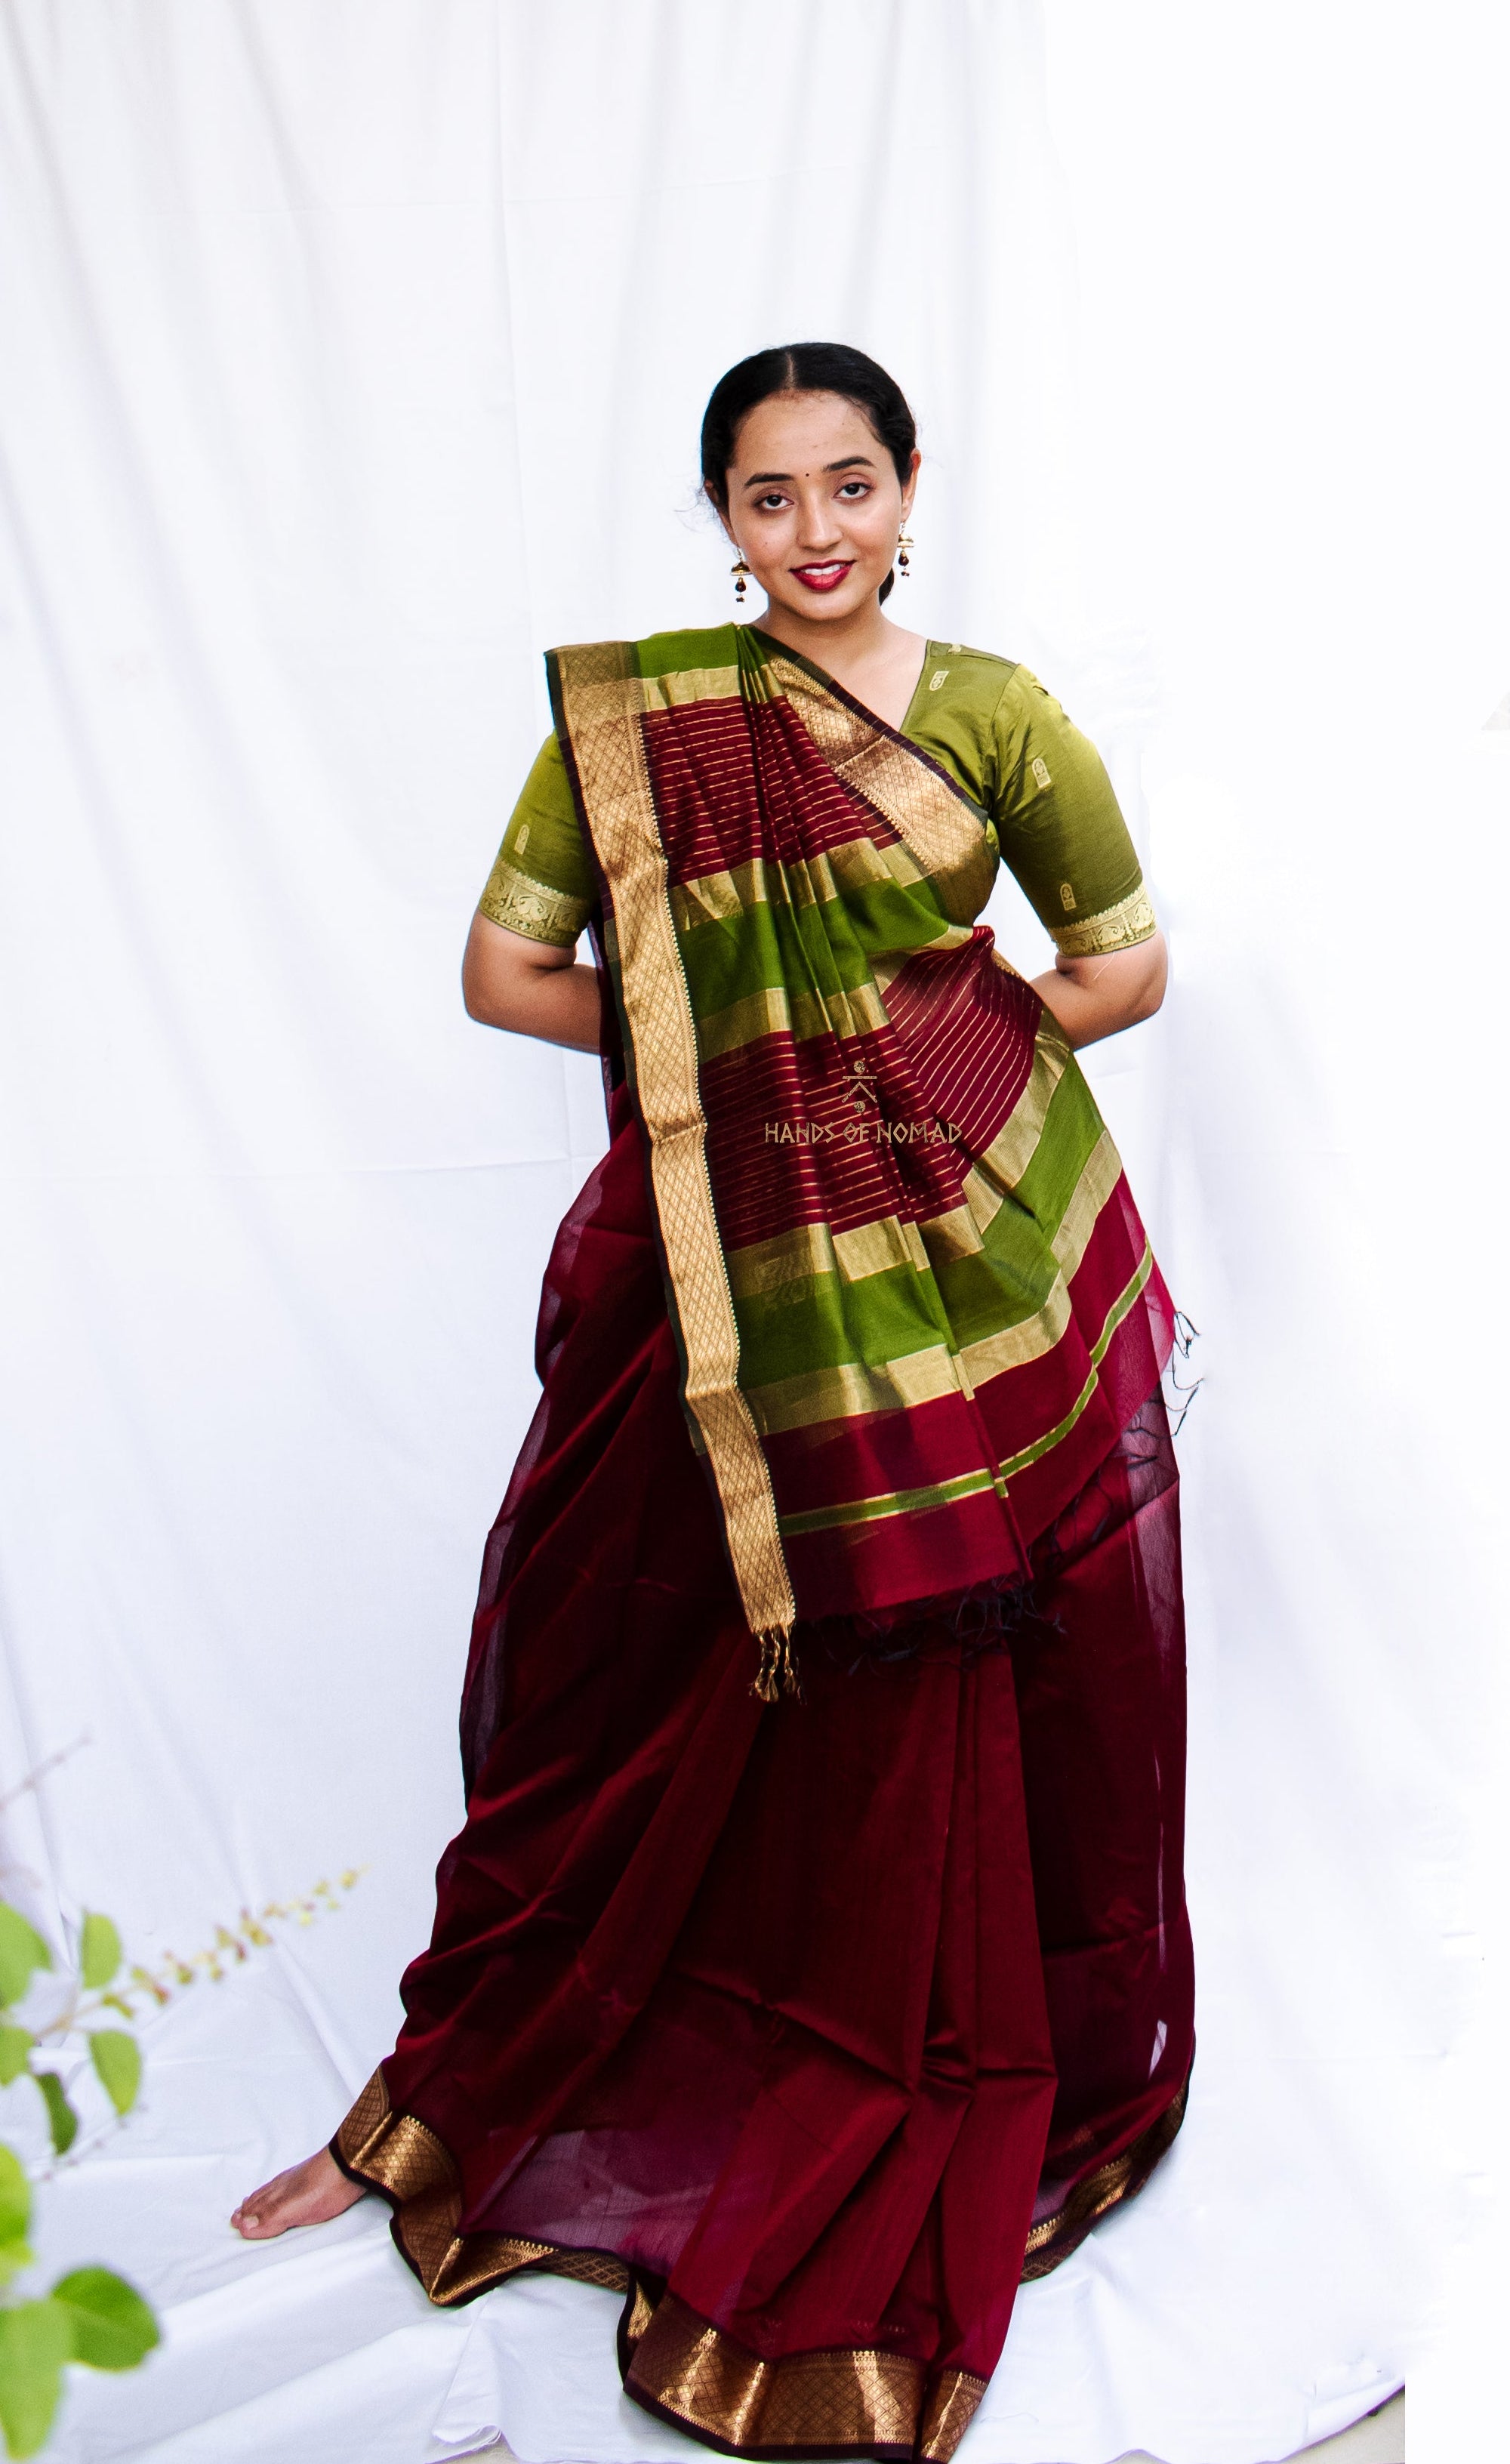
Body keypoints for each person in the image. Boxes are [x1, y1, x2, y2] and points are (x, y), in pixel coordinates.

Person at [233, 343, 1193, 2464]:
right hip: (718, 1273)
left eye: (850, 484)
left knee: (941, 1693)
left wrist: (923, 1064)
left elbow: (1120, 967)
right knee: (640, 1689)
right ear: (723, 523)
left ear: (912, 483)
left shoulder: (1001, 715)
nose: (818, 532)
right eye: (771, 500)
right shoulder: (641, 725)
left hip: (971, 1282)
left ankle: (909, 2067)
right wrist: (724, 1074)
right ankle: (516, 2089)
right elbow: (507, 973)